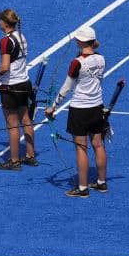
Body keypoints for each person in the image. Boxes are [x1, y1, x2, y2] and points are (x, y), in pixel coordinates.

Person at [44, 26, 108, 198]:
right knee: (98, 145)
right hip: (97, 108)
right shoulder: (101, 59)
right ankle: (101, 183)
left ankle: (82, 187)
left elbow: (67, 87)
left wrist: (53, 106)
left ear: (81, 41)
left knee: (81, 148)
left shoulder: (77, 62)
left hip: (80, 109)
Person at [0, 9, 36, 171]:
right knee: (26, 120)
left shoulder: (5, 41)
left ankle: (14, 160)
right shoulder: (21, 36)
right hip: (24, 83)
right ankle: (30, 155)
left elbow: (5, 67)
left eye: (0, 20)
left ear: (4, 23)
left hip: (11, 87)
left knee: (12, 124)